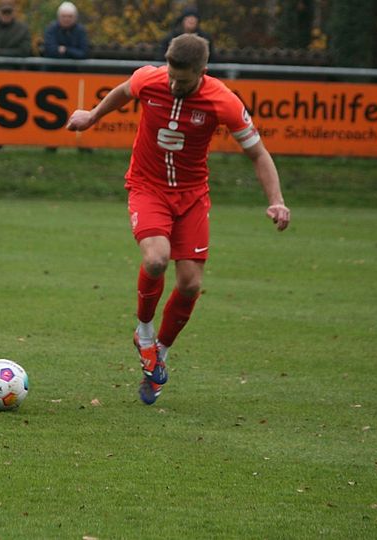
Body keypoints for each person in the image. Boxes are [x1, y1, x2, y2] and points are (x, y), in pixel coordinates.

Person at [66, 34, 290, 405]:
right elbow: (123, 91)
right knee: (156, 259)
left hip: (192, 197)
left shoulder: (223, 101)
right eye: (171, 76)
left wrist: (276, 201)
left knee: (190, 284)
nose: (173, 85)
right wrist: (92, 115)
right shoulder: (150, 79)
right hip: (147, 187)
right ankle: (143, 331)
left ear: (203, 72)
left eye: (182, 81)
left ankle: (160, 354)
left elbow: (258, 154)